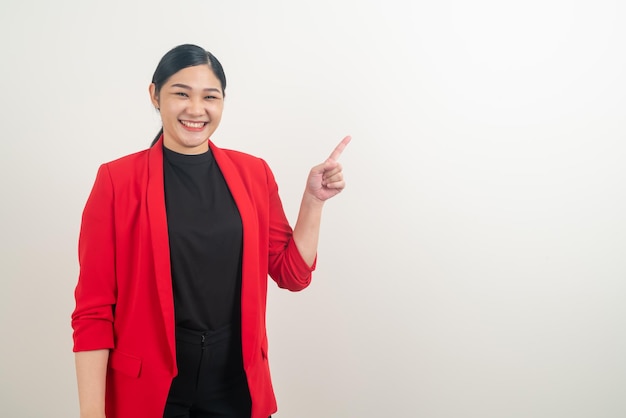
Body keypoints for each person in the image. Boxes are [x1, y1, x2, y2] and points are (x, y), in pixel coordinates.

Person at [71, 44, 350, 418]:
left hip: (235, 386)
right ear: (155, 95)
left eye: (209, 97)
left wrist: (313, 202)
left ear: (222, 102)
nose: (196, 109)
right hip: (151, 391)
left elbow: (292, 275)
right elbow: (93, 311)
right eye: (181, 93)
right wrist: (91, 413)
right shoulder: (117, 181)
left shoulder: (254, 174)